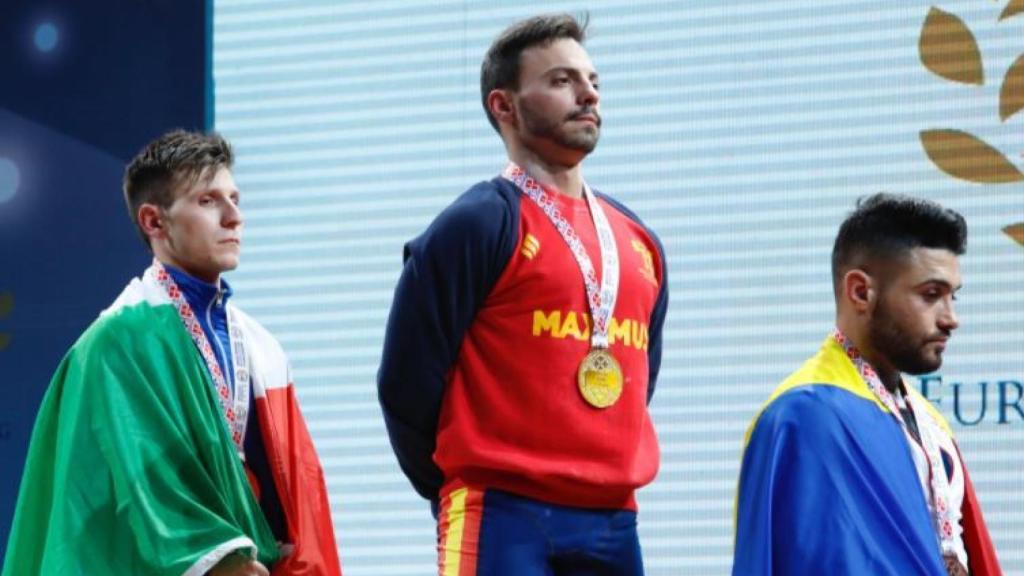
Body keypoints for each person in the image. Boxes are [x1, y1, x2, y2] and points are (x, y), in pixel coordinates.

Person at [377, 13, 668, 576]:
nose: (587, 94)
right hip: (499, 513)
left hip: (614, 520)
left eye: (593, 82)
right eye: (561, 81)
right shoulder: (477, 225)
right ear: (503, 106)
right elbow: (405, 383)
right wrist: (456, 486)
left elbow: (638, 381)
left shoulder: (639, 244)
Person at [2, 130, 341, 576]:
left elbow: (298, 488)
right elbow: (134, 484)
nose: (233, 216)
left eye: (235, 198)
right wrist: (220, 561)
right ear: (154, 222)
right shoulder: (116, 343)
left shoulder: (262, 349)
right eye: (207, 201)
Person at [732, 193, 1001, 576]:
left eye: (952, 296)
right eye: (931, 295)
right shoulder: (805, 415)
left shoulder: (930, 422)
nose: (951, 318)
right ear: (861, 292)